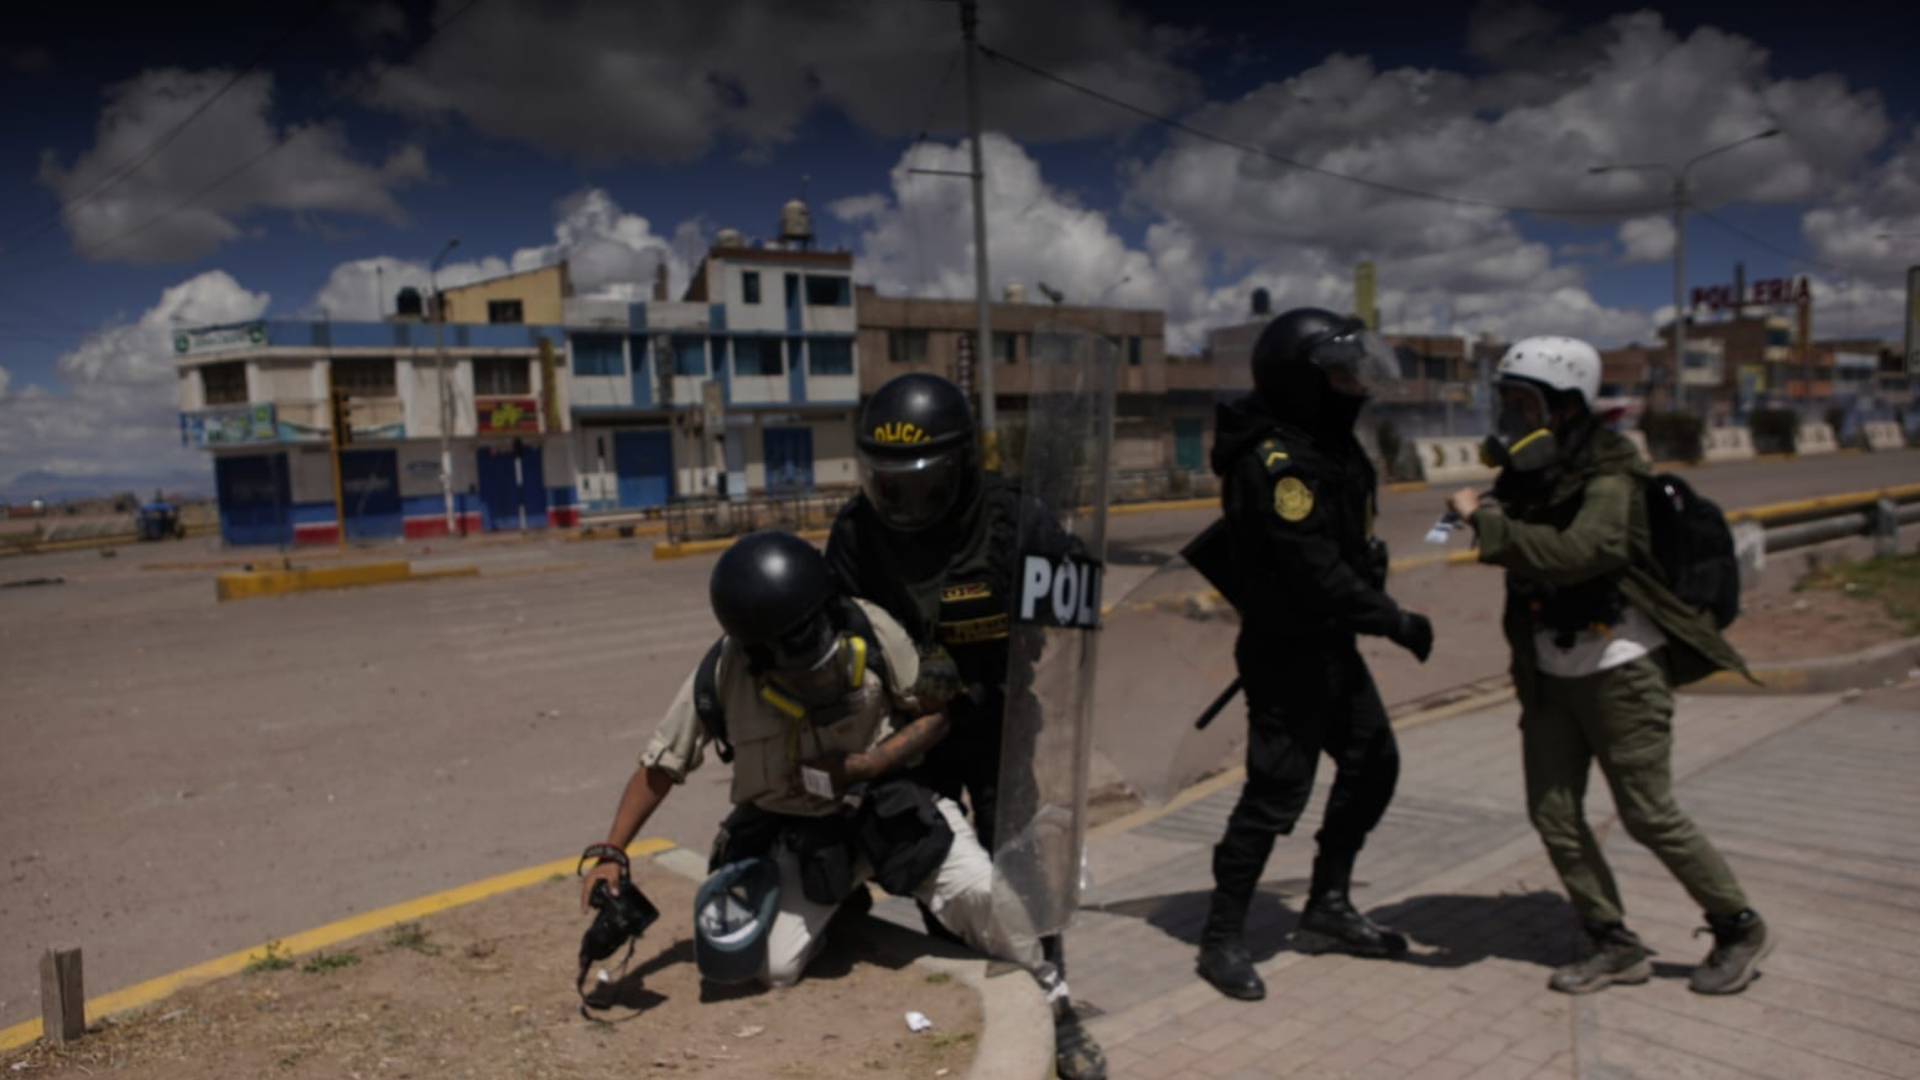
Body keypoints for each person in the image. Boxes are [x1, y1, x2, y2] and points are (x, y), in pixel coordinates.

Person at [580, 530, 1049, 992]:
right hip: (801, 834)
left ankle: (1048, 988)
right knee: (772, 968)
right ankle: (837, 906)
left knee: (987, 898)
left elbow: (935, 718)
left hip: (888, 807)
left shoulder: (871, 627)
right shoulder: (723, 673)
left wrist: (869, 764)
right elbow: (661, 765)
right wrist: (612, 853)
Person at [1446, 335, 1770, 995]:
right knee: (1554, 814)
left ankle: (1737, 923)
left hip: (1622, 668)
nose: (1512, 415)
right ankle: (1611, 940)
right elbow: (1479, 540)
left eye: (1523, 402)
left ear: (1565, 407)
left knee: (1648, 812)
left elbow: (1581, 552)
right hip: (1550, 673)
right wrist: (1474, 512)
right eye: (1505, 400)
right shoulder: (1526, 475)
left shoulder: (1611, 477)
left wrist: (1487, 525)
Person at [826, 372, 1107, 1080]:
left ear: (962, 467)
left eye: (924, 483)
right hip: (915, 730)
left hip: (1003, 720)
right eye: (888, 482)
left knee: (1023, 870)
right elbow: (840, 633)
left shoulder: (1016, 519)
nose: (904, 501)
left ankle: (1054, 1004)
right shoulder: (858, 533)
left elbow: (1074, 602)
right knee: (943, 870)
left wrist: (1063, 583)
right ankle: (987, 991)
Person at [1197, 307, 1436, 1002]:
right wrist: (1394, 619)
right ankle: (1220, 939)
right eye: (1340, 373)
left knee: (1373, 763)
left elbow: (1344, 551)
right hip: (1286, 654)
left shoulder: (1323, 441)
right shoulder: (1277, 463)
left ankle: (1327, 904)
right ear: (1302, 383)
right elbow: (1313, 568)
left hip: (1327, 645)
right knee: (1275, 795)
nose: (1356, 384)